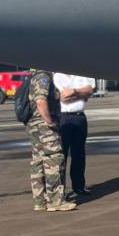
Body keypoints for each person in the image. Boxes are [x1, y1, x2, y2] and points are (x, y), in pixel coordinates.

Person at [26, 69, 75, 212]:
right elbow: (40, 101)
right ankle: (55, 201)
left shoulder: (35, 76)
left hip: (34, 127)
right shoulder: (43, 77)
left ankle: (39, 201)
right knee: (54, 159)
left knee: (38, 161)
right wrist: (50, 122)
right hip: (44, 127)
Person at [53, 72, 95, 198]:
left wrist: (74, 92)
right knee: (62, 155)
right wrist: (81, 93)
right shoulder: (57, 76)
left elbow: (90, 92)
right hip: (64, 118)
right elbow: (62, 98)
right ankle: (61, 190)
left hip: (80, 117)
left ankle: (79, 186)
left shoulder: (81, 74)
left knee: (79, 154)